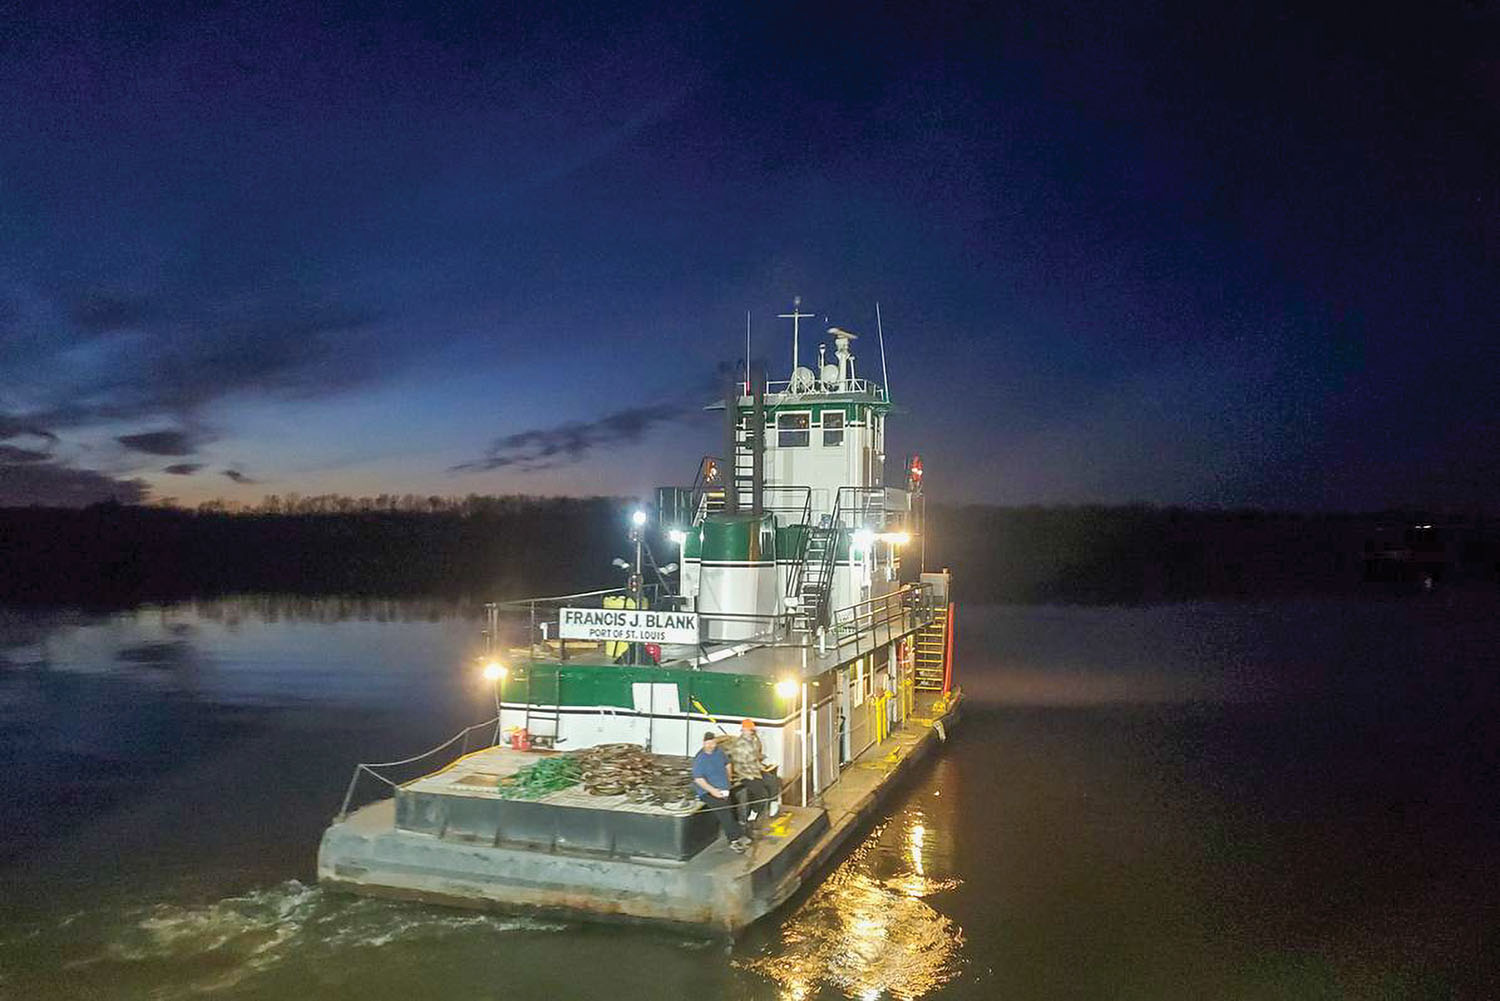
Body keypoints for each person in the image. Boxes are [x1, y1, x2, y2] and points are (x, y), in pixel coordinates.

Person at [692, 731, 749, 852]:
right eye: (708, 743)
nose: (710, 746)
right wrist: (713, 791)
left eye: (712, 743)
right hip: (707, 791)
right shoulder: (700, 759)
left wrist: (728, 779)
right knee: (724, 811)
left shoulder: (719, 752)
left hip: (724, 788)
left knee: (732, 808)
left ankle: (738, 833)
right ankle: (734, 840)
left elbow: (727, 763)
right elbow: (698, 779)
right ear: (703, 743)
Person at [729, 719, 778, 826]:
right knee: (762, 794)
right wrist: (753, 776)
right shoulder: (739, 745)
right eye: (747, 730)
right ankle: (754, 814)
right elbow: (740, 765)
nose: (750, 731)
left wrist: (761, 768)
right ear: (743, 730)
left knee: (772, 780)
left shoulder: (754, 740)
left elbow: (756, 756)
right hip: (746, 774)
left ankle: (774, 803)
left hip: (756, 770)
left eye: (751, 730)